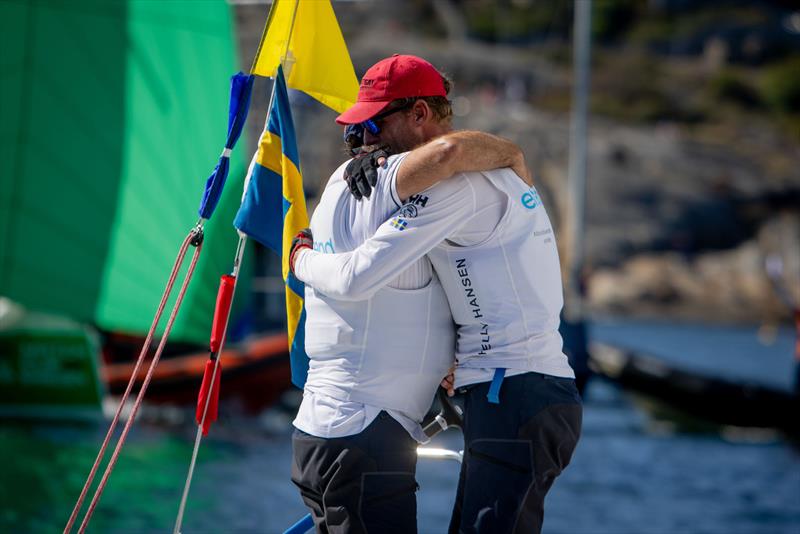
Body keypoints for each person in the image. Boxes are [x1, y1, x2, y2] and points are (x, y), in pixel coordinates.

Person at [291, 54, 582, 534]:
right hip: (508, 390)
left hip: (515, 389)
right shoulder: (449, 180)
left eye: (374, 128)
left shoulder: (459, 184)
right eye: (356, 134)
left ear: (420, 115)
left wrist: (299, 257)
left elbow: (358, 275)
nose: (365, 145)